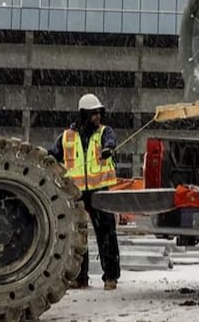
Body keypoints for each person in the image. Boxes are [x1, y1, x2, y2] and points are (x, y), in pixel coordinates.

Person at [48, 93, 121, 290]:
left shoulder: (105, 132)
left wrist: (108, 149)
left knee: (106, 234)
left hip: (100, 191)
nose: (97, 117)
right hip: (76, 193)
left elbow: (110, 141)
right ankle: (80, 277)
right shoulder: (66, 137)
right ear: (83, 115)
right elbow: (51, 157)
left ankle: (110, 277)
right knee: (77, 236)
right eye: (93, 114)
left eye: (99, 113)